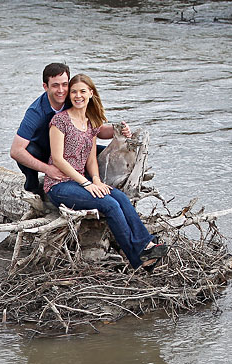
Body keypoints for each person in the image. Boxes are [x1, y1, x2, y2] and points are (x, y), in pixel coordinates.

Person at [44, 74, 167, 270]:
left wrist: (96, 180)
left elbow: (91, 159)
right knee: (109, 204)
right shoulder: (60, 121)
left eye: (82, 91)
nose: (78, 95)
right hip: (59, 185)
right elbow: (58, 159)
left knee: (120, 197)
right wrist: (87, 184)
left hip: (81, 181)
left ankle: (147, 245)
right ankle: (138, 258)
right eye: (74, 92)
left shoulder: (90, 123)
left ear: (91, 93)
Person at [10, 63, 128, 193]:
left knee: (103, 152)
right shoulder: (35, 112)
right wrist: (48, 169)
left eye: (64, 84)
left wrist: (118, 130)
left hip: (68, 150)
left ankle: (97, 183)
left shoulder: (75, 99)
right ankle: (33, 188)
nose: (61, 90)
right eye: (55, 85)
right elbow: (16, 151)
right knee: (29, 149)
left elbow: (98, 130)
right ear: (45, 87)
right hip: (43, 152)